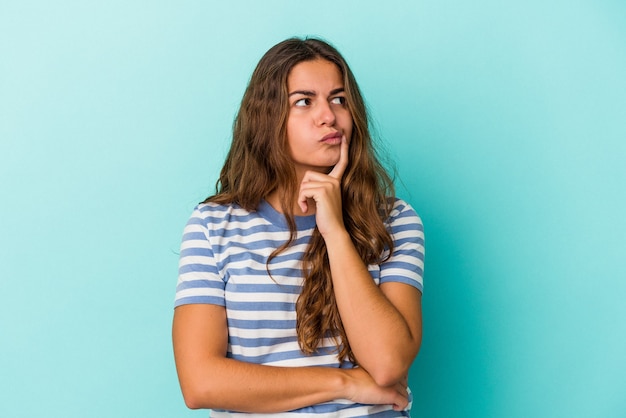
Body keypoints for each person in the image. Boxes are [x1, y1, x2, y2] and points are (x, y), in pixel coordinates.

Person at [172, 37, 425, 417]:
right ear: (268, 117)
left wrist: (335, 232)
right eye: (304, 101)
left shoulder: (393, 220)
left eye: (339, 99)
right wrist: (345, 382)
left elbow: (389, 364)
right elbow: (201, 382)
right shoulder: (214, 225)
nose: (329, 116)